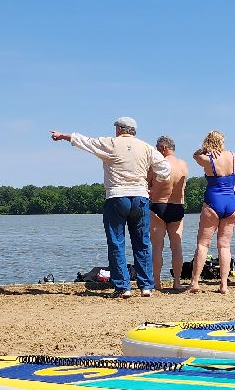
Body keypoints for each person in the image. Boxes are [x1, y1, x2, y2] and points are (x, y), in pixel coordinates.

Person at [51, 116, 170, 298]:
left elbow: (85, 142)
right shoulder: (146, 147)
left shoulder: (111, 144)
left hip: (117, 196)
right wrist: (153, 187)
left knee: (116, 243)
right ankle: (146, 286)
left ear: (119, 129)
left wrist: (63, 136)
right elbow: (165, 169)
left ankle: (123, 287)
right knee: (142, 243)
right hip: (140, 197)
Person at [186, 131, 235, 294]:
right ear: (222, 142)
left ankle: (195, 283)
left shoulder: (207, 158)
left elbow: (194, 155)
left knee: (203, 244)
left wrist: (205, 150)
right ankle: (224, 285)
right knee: (224, 245)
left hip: (213, 201)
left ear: (208, 142)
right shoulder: (233, 156)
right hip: (231, 202)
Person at [148, 135, 189, 292]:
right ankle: (177, 282)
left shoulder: (158, 165)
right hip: (177, 206)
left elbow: (148, 183)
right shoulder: (183, 165)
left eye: (157, 149)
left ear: (163, 148)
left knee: (157, 247)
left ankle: (157, 283)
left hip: (160, 205)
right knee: (177, 247)